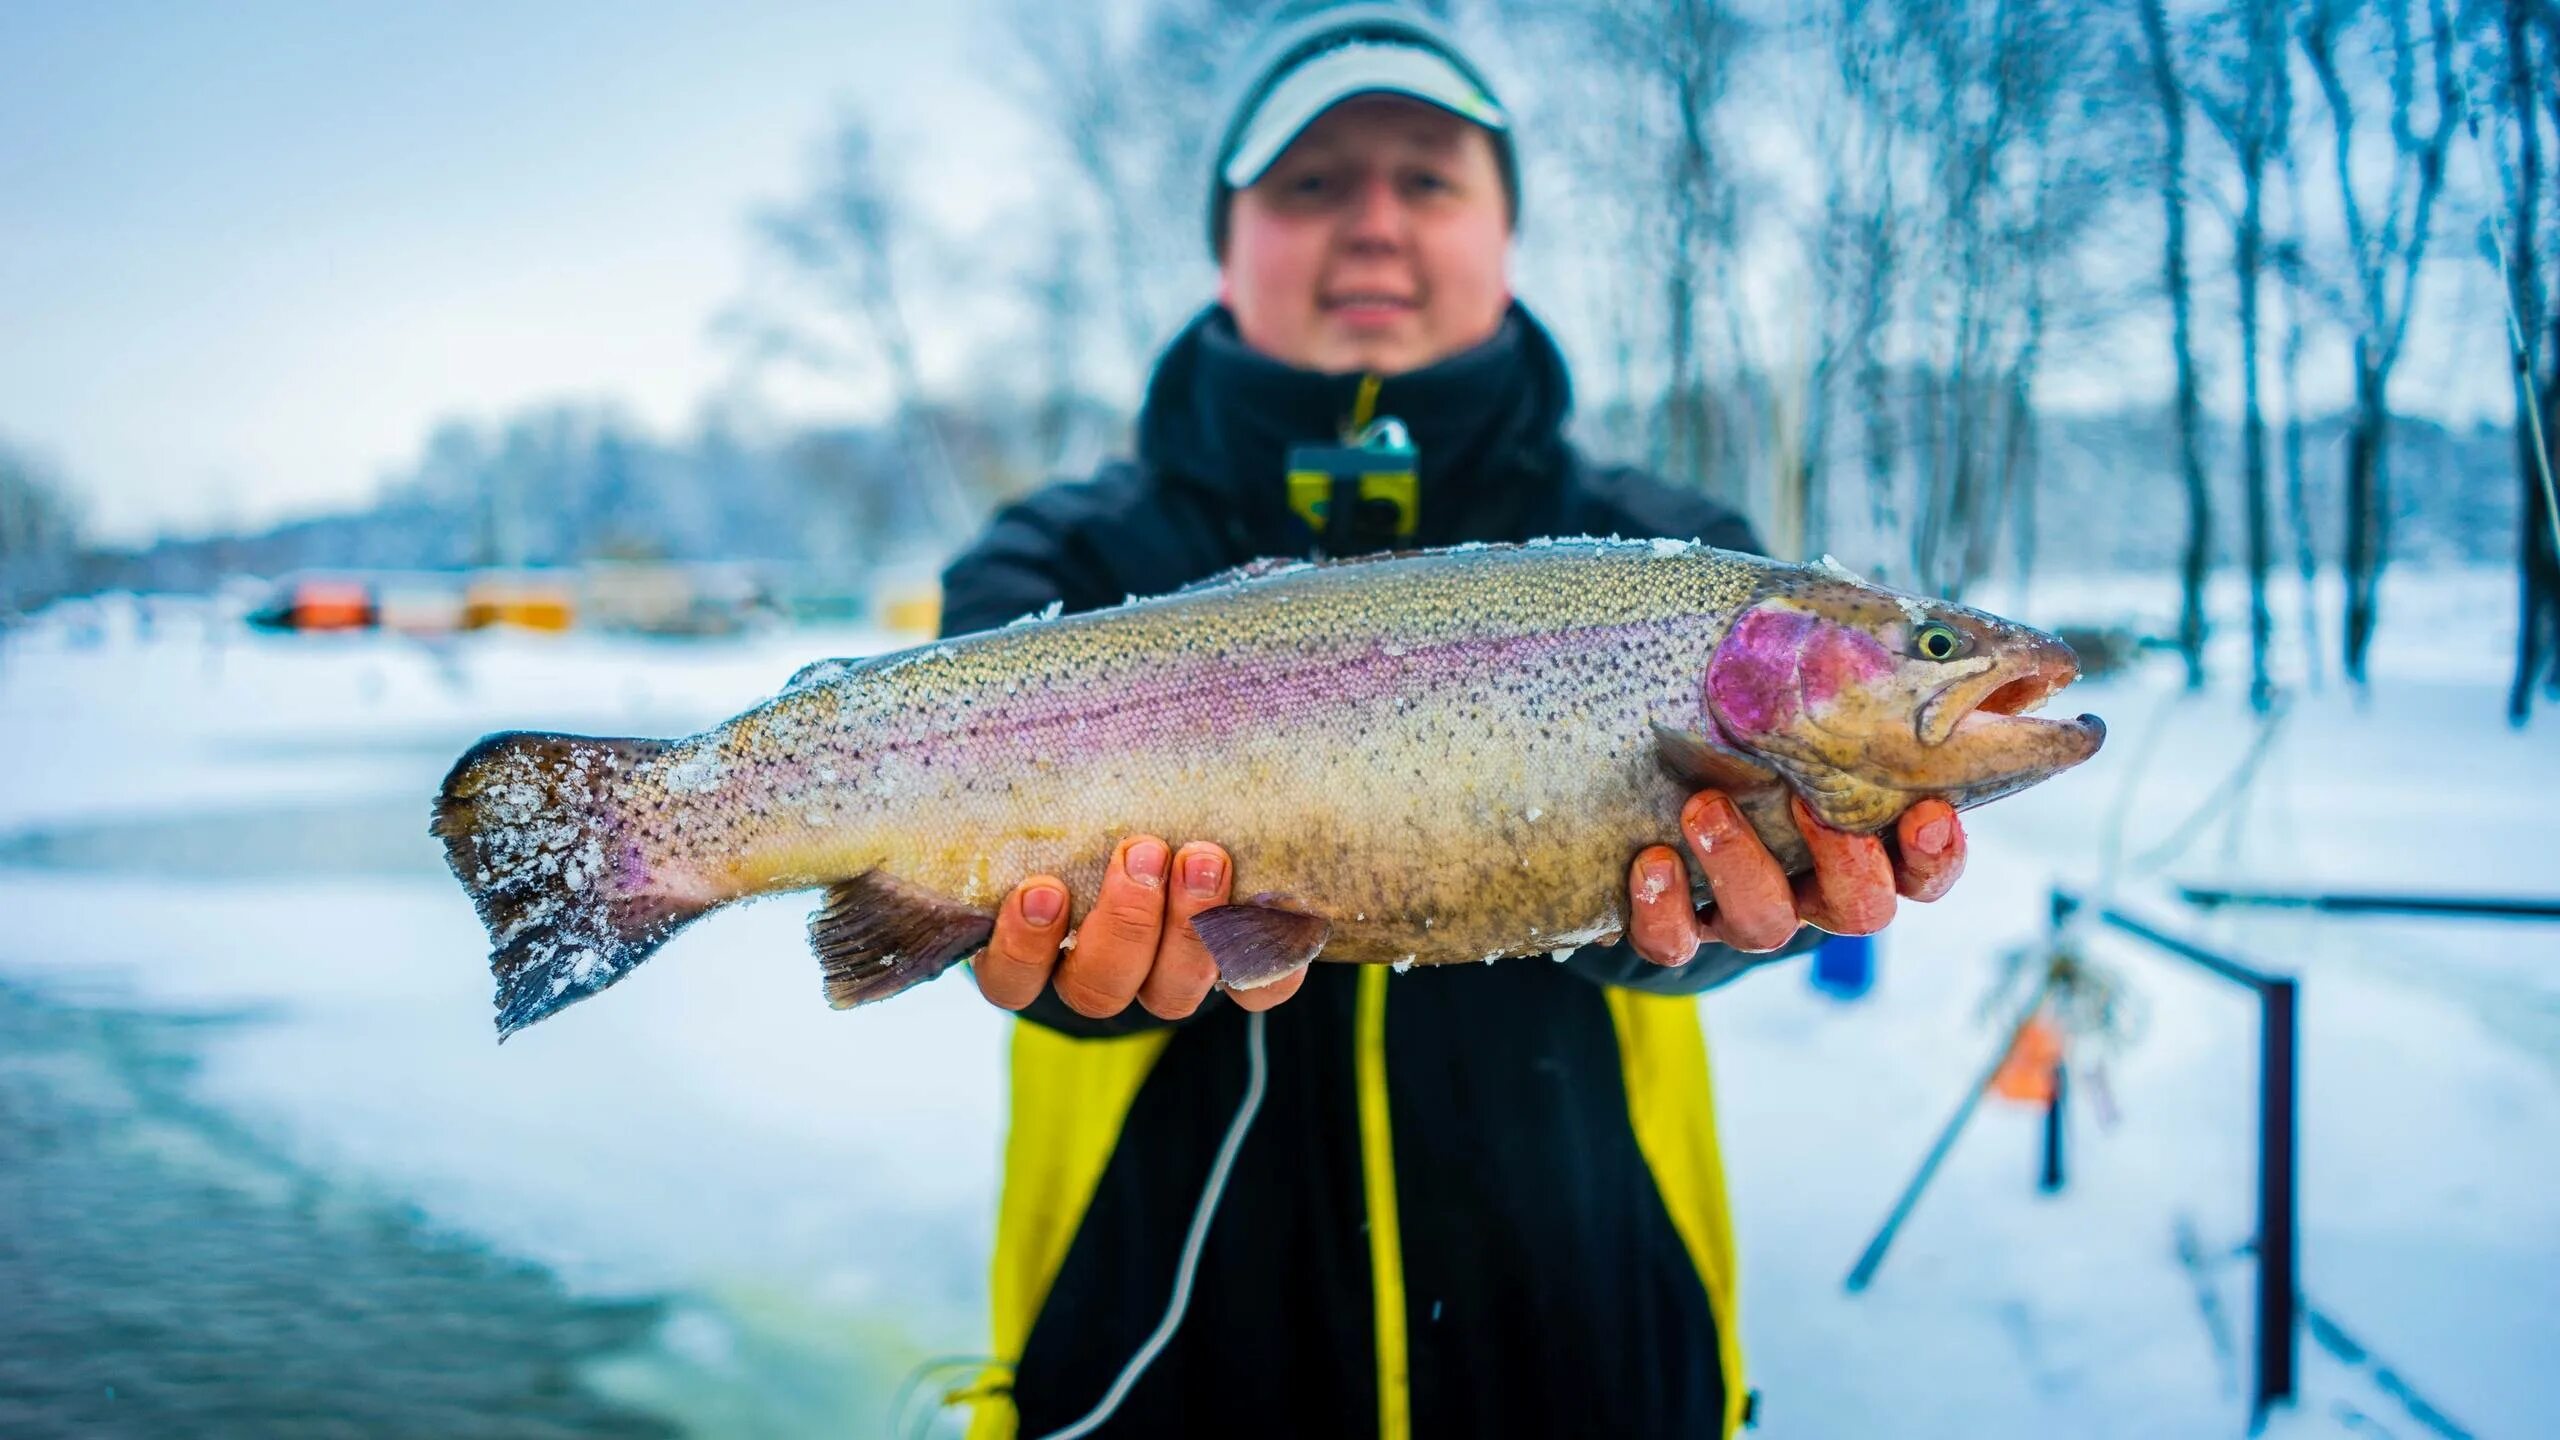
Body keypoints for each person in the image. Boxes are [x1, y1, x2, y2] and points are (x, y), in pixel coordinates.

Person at [936, 4, 1967, 1436]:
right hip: (1142, 1380)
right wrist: (1051, 964)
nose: (1373, 224)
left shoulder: (1679, 557)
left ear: (1505, 232)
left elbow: (1726, 918)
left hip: (1598, 1363)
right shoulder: (1054, 570)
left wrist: (1712, 937)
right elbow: (959, 896)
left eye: (1428, 179)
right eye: (1312, 183)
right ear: (1226, 241)